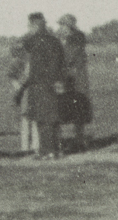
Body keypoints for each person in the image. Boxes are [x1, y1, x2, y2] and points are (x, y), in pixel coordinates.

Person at [20, 11, 68, 159]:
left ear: (34, 25)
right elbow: (61, 63)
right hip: (54, 83)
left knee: (42, 119)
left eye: (30, 25)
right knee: (53, 118)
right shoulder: (55, 41)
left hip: (39, 83)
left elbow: (22, 47)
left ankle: (46, 152)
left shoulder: (33, 41)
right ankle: (56, 150)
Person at [57, 13, 92, 152]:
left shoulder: (75, 39)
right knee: (71, 110)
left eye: (63, 25)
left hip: (76, 79)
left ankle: (78, 141)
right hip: (71, 79)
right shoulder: (69, 39)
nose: (61, 28)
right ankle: (75, 140)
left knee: (77, 110)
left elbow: (68, 57)